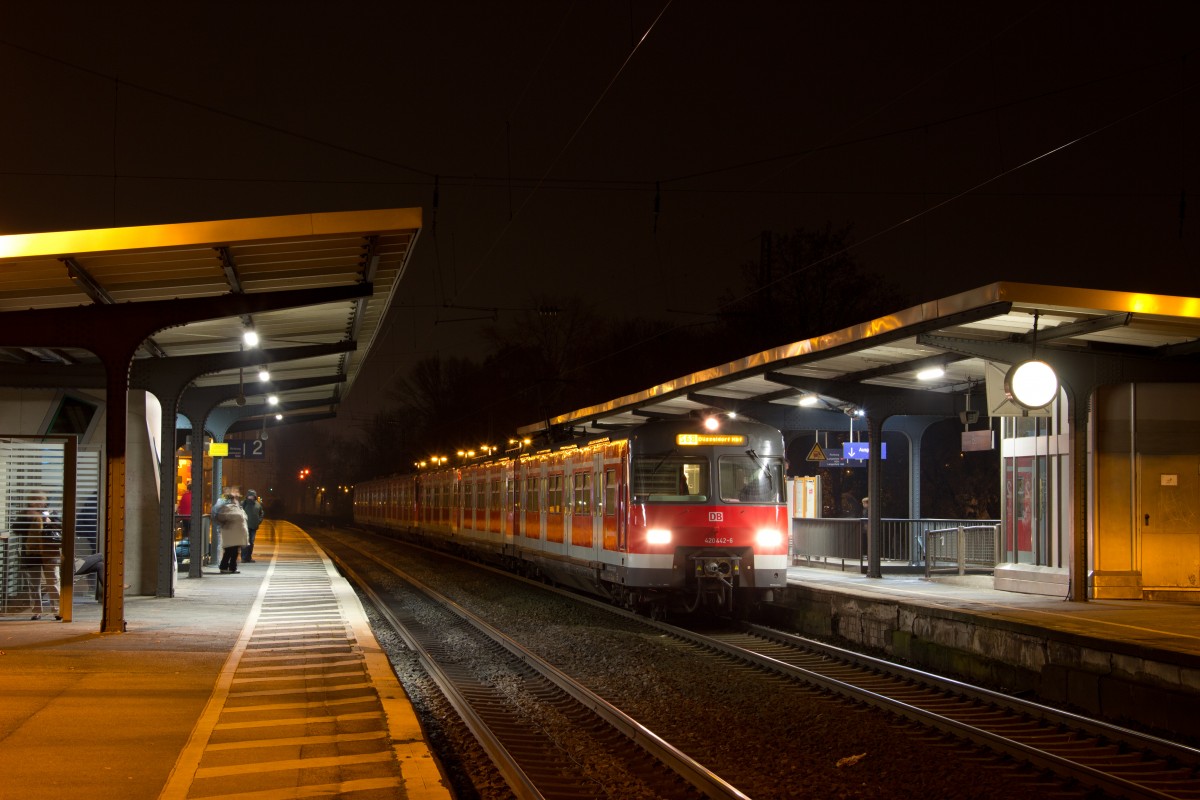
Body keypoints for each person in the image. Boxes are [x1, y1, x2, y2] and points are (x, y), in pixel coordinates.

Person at [16, 492, 61, 620]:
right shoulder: (25, 514)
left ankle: (57, 610)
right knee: (34, 584)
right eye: (34, 500)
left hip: (49, 553)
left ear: (45, 501)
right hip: (31, 553)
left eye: (39, 499)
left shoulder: (52, 513)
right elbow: (16, 528)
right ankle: (36, 611)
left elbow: (60, 527)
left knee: (53, 582)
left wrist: (48, 521)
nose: (37, 502)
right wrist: (30, 519)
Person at [214, 488, 248, 574]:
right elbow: (226, 517)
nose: (237, 499)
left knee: (234, 552)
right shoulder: (227, 508)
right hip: (230, 533)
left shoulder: (237, 507)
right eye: (235, 497)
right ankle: (224, 567)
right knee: (229, 551)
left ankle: (232, 567)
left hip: (236, 534)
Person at [241, 489, 264, 563]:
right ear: (247, 496)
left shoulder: (258, 504)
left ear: (255, 496)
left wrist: (258, 521)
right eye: (249, 496)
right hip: (244, 526)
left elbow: (261, 514)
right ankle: (244, 558)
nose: (251, 497)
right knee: (245, 542)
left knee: (251, 542)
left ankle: (248, 557)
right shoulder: (243, 503)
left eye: (252, 496)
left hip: (254, 526)